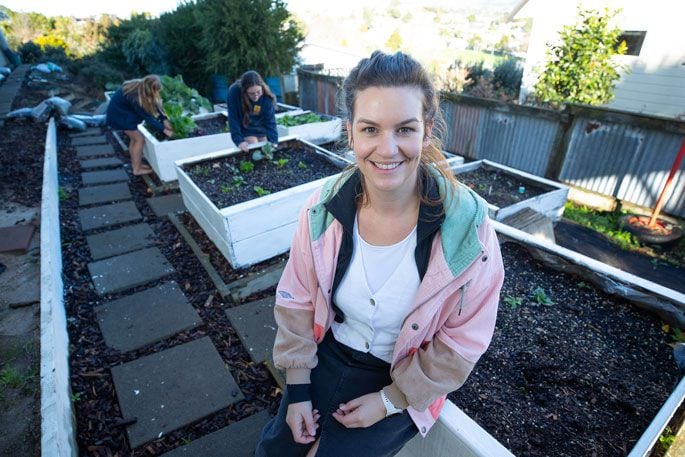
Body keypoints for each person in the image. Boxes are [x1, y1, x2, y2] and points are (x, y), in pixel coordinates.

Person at [255, 50, 505, 457]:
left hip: (405, 375)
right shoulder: (322, 209)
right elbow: (297, 299)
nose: (387, 150)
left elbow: (463, 341)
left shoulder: (469, 230)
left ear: (427, 131)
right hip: (329, 354)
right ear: (350, 132)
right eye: (370, 129)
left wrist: (391, 400)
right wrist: (297, 389)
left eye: (404, 129)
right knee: (276, 450)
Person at [106, 74, 173, 176]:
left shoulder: (139, 85)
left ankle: (136, 165)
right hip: (120, 118)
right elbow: (148, 117)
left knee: (134, 139)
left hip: (119, 114)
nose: (157, 93)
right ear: (150, 89)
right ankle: (137, 170)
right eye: (155, 90)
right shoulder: (135, 97)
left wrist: (164, 119)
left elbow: (156, 103)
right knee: (139, 139)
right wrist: (165, 130)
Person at [227, 70, 278, 153]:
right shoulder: (234, 92)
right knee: (253, 145)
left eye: (258, 92)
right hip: (244, 124)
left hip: (260, 125)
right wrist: (239, 141)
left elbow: (270, 122)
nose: (256, 96)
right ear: (244, 91)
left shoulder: (267, 97)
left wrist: (274, 142)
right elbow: (233, 118)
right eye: (251, 93)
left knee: (265, 148)